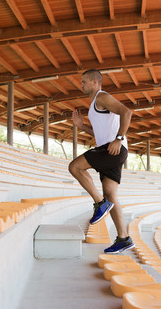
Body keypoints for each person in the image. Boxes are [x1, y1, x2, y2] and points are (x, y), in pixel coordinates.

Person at [68, 69, 135, 254]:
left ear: (95, 83)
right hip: (113, 149)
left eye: (83, 81)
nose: (80, 84)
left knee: (74, 167)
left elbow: (126, 112)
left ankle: (100, 203)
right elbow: (98, 133)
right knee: (111, 195)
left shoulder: (101, 97)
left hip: (113, 148)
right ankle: (123, 238)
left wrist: (119, 138)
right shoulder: (94, 105)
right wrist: (82, 127)